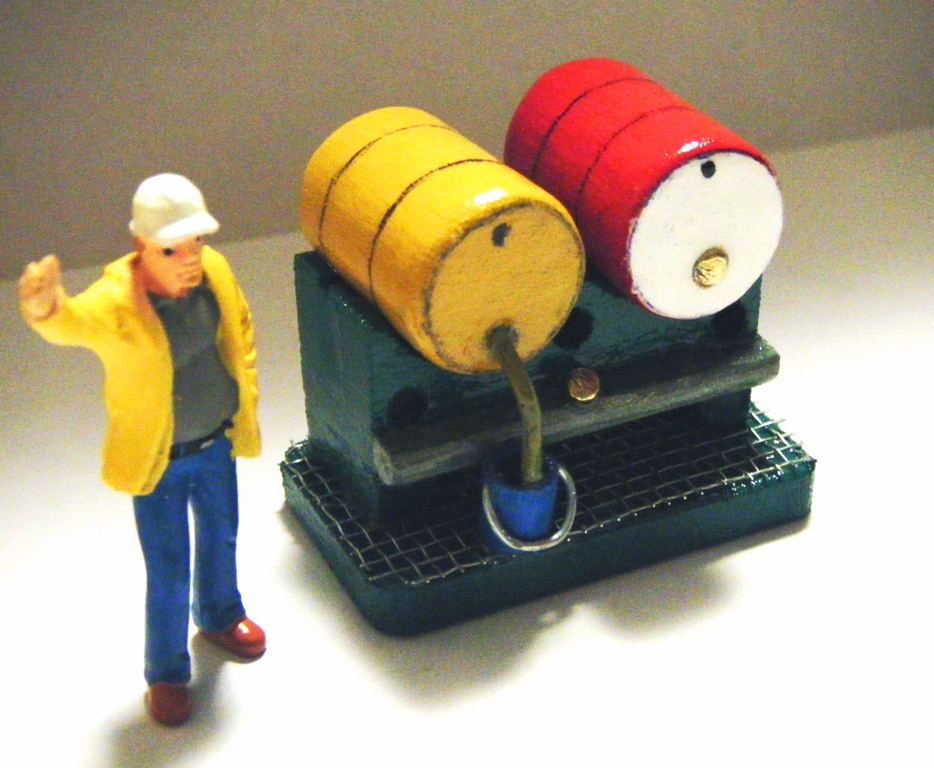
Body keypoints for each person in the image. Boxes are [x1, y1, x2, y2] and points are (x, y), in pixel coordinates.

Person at [18, 173, 265, 727]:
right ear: (141, 246)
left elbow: (241, 330)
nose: (189, 258)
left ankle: (220, 614)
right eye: (172, 248)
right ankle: (167, 672)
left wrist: (244, 393)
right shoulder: (117, 301)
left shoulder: (216, 273)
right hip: (160, 464)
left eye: (196, 241)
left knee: (222, 536)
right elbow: (74, 324)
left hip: (216, 445)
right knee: (169, 570)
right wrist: (45, 307)